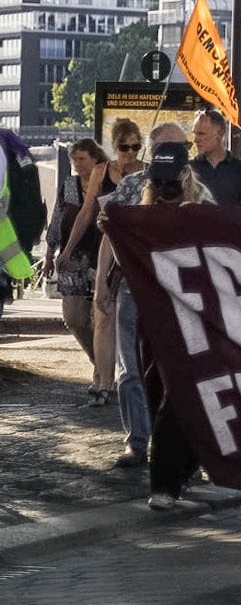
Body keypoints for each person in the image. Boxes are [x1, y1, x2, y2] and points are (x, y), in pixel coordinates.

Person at [92, 122, 194, 471]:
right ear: (153, 149)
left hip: (178, 294)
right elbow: (109, 234)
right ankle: (137, 441)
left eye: (182, 147)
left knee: (176, 368)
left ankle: (178, 445)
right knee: (129, 367)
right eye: (170, 147)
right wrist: (101, 285)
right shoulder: (132, 185)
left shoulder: (196, 189)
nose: (177, 154)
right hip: (132, 289)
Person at [62, 118, 143, 408]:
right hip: (103, 247)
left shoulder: (145, 174)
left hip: (131, 253)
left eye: (136, 146)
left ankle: (116, 376)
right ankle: (104, 380)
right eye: (125, 147)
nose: (130, 153)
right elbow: (86, 213)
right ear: (114, 145)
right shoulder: (101, 171)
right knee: (101, 314)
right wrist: (66, 249)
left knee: (121, 317)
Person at [49, 138, 107, 388]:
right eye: (74, 160)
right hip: (72, 257)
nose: (78, 165)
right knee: (73, 318)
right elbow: (57, 216)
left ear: (95, 158)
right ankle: (101, 363)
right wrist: (50, 252)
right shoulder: (69, 185)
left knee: (99, 318)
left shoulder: (106, 182)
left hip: (100, 254)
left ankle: (103, 375)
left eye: (82, 159)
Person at [189, 110, 241, 208]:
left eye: (201, 134)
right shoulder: (188, 169)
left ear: (220, 134)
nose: (196, 140)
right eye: (195, 134)